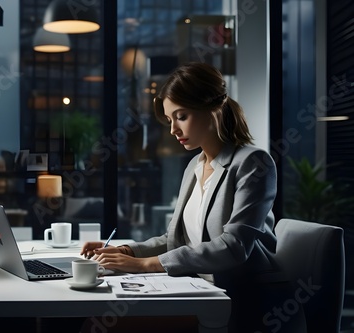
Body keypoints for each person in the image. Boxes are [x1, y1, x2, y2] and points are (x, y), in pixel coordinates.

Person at [81, 62, 306, 333]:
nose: (173, 129)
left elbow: (234, 246)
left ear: (214, 107)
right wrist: (127, 251)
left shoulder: (253, 163)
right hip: (198, 290)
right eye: (169, 119)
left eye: (181, 116)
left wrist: (146, 265)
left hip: (243, 301)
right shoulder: (194, 166)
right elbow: (173, 240)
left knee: (104, 325)